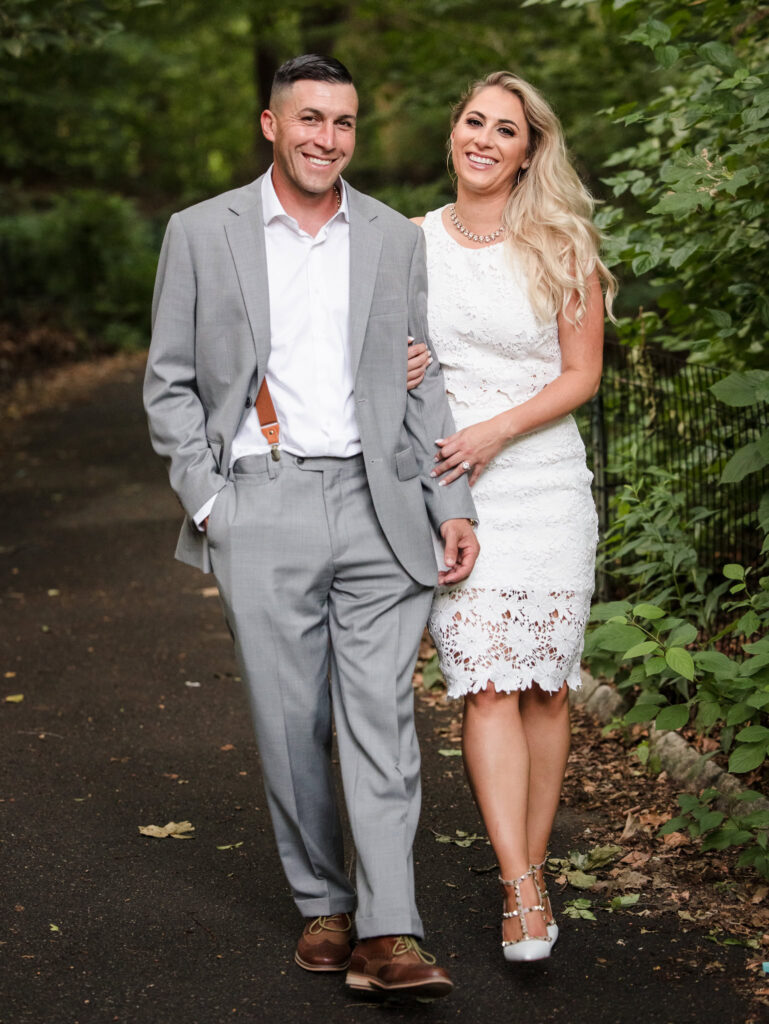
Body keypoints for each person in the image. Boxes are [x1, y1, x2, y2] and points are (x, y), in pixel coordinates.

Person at [143, 54, 479, 999]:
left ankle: (389, 929)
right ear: (270, 125)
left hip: (381, 506)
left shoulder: (388, 237)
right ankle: (323, 904)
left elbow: (423, 375)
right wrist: (212, 501)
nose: (326, 138)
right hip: (263, 499)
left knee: (378, 719)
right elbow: (168, 380)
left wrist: (450, 504)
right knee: (290, 724)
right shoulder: (201, 232)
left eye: (343, 122)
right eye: (310, 119)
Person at [410, 71, 615, 962]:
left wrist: (496, 428)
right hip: (457, 488)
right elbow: (386, 355)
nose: (485, 139)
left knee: (543, 686)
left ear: (529, 149)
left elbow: (580, 376)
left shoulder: (561, 242)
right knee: (486, 680)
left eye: (506, 129)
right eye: (472, 122)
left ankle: (524, 873)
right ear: (452, 132)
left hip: (543, 483)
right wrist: (407, 366)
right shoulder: (407, 242)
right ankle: (522, 887)